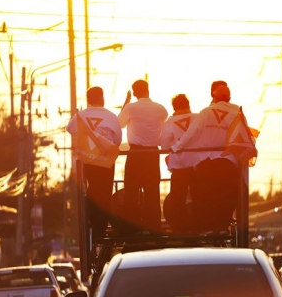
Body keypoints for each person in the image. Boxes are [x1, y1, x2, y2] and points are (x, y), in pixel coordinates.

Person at [171, 82, 244, 234]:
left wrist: (176, 148)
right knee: (226, 197)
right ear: (229, 98)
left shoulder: (205, 113)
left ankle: (207, 228)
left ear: (213, 96)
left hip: (207, 163)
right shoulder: (236, 114)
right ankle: (223, 227)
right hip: (228, 163)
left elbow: (191, 133)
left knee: (206, 196)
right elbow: (245, 137)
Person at [67, 86, 122, 240]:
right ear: (102, 98)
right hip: (105, 160)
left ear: (88, 100)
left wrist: (87, 132)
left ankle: (91, 221)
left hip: (87, 160)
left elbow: (70, 129)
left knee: (91, 191)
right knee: (105, 194)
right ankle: (101, 228)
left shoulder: (81, 116)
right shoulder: (111, 117)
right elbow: (117, 140)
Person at [118, 79, 168, 234]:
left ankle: (130, 229)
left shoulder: (131, 108)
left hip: (135, 153)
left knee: (131, 192)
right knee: (152, 191)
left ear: (134, 93)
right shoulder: (161, 109)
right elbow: (163, 120)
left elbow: (119, 123)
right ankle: (154, 227)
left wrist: (126, 103)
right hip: (152, 153)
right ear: (148, 90)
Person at [159, 94, 198, 233]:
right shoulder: (198, 117)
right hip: (197, 164)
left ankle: (179, 228)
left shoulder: (169, 123)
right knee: (198, 196)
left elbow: (164, 145)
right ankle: (198, 226)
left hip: (179, 164)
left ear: (174, 107)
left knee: (177, 198)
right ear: (188, 105)